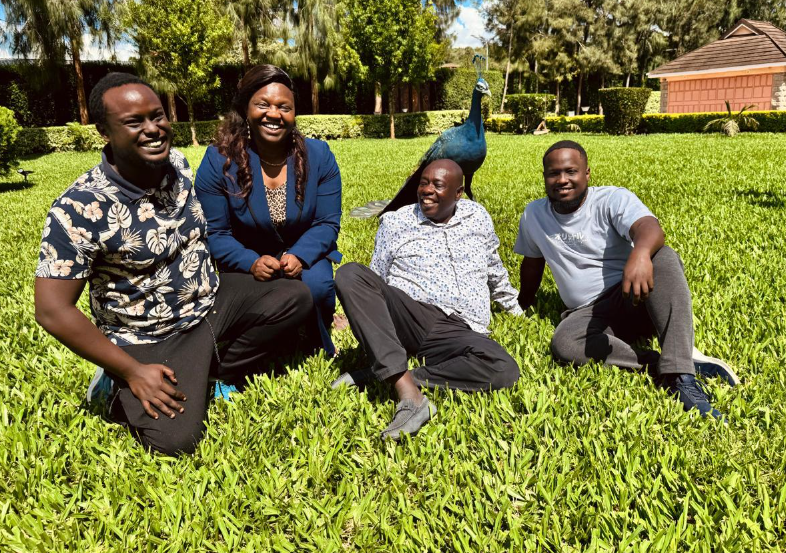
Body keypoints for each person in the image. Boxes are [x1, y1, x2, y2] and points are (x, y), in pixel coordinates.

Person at [34, 72, 313, 456]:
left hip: (209, 306)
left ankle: (213, 370)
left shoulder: (179, 166)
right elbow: (52, 310)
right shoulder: (80, 208)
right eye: (134, 122)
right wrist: (132, 371)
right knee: (176, 441)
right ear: (104, 131)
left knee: (294, 296)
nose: (153, 129)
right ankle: (114, 380)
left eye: (158, 116)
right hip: (147, 335)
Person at [515, 140, 739, 420]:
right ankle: (665, 363)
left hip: (635, 295)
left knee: (664, 256)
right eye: (553, 173)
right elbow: (533, 263)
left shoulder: (610, 199)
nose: (562, 180)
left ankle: (681, 377)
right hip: (588, 312)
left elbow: (649, 227)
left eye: (571, 171)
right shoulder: (534, 214)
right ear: (545, 176)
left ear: (587, 173)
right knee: (565, 343)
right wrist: (523, 303)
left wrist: (641, 254)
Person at [332, 159, 522, 440]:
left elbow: (493, 266)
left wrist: (513, 307)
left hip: (460, 327)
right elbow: (376, 277)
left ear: (458, 193)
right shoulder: (396, 221)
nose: (427, 190)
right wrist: (357, 315)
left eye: (438, 185)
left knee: (503, 368)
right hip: (411, 316)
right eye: (423, 182)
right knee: (349, 273)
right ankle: (410, 397)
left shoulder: (477, 216)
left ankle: (392, 374)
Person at [195, 65, 342, 356]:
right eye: (263, 104)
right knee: (259, 299)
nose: (273, 114)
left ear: (294, 113)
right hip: (246, 258)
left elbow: (327, 222)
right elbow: (215, 232)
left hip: (301, 253)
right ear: (246, 108)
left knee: (318, 286)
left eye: (283, 107)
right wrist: (250, 262)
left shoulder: (319, 155)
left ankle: (315, 331)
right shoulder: (218, 160)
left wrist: (299, 255)